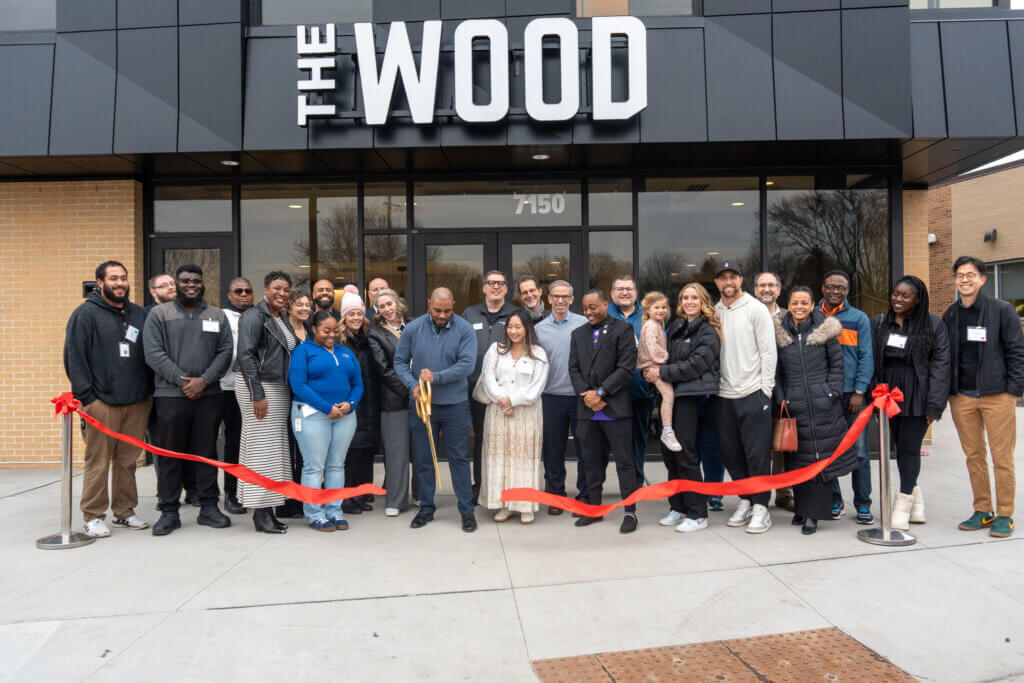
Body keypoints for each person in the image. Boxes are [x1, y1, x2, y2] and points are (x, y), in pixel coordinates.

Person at [64, 260, 153, 537]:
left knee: (128, 461)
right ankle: (93, 515)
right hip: (100, 402)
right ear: (100, 283)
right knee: (98, 462)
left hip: (136, 401)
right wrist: (88, 398)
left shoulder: (138, 314)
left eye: (123, 278)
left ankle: (125, 512)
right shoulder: (85, 315)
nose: (120, 283)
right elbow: (74, 358)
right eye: (113, 278)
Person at [143, 264, 234, 536]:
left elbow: (226, 350)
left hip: (209, 395)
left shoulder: (216, 315)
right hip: (171, 396)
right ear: (177, 284)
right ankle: (169, 510)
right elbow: (153, 353)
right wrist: (183, 381)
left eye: (196, 280)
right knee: (170, 453)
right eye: (185, 281)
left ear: (202, 283)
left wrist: (204, 380)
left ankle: (208, 507)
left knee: (206, 453)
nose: (191, 285)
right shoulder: (160, 314)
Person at [944, 256, 1024, 538]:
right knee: (974, 456)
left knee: (1002, 457)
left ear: (982, 279)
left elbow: (1017, 351)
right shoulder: (951, 315)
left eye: (970, 275)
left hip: (997, 394)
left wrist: (1013, 391)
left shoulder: (1002, 311)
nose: (964, 280)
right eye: (960, 276)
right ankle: (983, 510)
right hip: (962, 397)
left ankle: (1005, 514)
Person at [773, 287, 858, 535]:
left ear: (812, 305)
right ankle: (801, 508)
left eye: (804, 303)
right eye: (795, 302)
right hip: (794, 407)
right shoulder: (779, 334)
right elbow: (776, 373)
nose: (799, 307)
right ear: (788, 304)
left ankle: (814, 514)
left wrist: (832, 392)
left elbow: (837, 364)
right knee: (799, 461)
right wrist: (781, 399)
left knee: (820, 460)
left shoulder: (826, 330)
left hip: (823, 406)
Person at [870, 276, 950, 531]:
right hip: (887, 394)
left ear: (917, 299)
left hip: (917, 394)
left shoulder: (933, 325)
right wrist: (873, 394)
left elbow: (941, 366)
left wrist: (934, 406)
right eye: (895, 294)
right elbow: (871, 360)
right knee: (898, 448)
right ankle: (917, 504)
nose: (898, 299)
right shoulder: (880, 323)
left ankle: (903, 505)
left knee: (909, 449)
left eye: (905, 296)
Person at [395, 287, 478, 531]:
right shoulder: (413, 328)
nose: (442, 315)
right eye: (437, 310)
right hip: (422, 405)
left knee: (459, 458)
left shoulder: (464, 329)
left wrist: (436, 377)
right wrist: (413, 385)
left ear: (454, 304)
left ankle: (466, 510)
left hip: (455, 406)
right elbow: (399, 361)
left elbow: (467, 365)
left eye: (448, 310)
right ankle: (426, 508)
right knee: (423, 458)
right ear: (429, 303)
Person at [645, 283, 721, 533]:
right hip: (670, 395)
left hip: (690, 396)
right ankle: (677, 506)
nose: (689, 301)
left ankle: (698, 513)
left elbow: (695, 365)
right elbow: (664, 354)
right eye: (685, 297)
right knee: (670, 454)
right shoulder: (676, 327)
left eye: (694, 298)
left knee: (686, 453)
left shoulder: (708, 332)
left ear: (703, 302)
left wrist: (661, 372)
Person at [712, 262, 777, 534]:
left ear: (740, 279)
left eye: (732, 277)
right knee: (731, 454)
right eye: (722, 278)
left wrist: (766, 390)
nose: (728, 282)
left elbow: (768, 352)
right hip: (722, 395)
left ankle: (761, 506)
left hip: (753, 393)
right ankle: (746, 499)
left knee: (757, 455)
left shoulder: (756, 309)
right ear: (717, 282)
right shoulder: (714, 311)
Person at [569, 289, 640, 533]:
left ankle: (630, 512)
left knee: (625, 463)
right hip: (587, 411)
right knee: (590, 462)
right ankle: (594, 508)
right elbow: (574, 369)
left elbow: (626, 368)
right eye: (585, 308)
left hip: (615, 409)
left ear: (605, 304)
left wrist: (601, 393)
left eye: (593, 307)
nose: (588, 312)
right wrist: (588, 397)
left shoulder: (623, 329)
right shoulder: (577, 334)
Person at [236, 271, 298, 534]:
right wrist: (257, 394)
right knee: (261, 451)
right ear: (266, 289)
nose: (282, 294)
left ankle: (269, 508)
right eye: (277, 288)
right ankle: (261, 514)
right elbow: (246, 356)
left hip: (277, 388)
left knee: (273, 451)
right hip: (260, 388)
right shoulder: (254, 316)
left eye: (286, 290)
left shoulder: (280, 317)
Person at [289, 312, 362, 532]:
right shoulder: (303, 351)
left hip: (345, 415)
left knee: (337, 465)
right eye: (326, 330)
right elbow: (299, 385)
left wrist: (350, 404)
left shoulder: (346, 353)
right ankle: (315, 514)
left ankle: (334, 510)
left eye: (335, 330)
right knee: (314, 467)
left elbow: (358, 384)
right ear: (314, 329)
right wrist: (327, 408)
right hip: (312, 415)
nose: (332, 335)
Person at [480, 310, 550, 523]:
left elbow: (536, 386)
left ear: (527, 328)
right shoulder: (496, 349)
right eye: (510, 327)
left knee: (523, 458)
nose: (513, 331)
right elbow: (487, 377)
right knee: (500, 458)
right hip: (498, 413)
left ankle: (525, 505)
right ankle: (504, 504)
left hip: (526, 413)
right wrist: (502, 400)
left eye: (518, 327)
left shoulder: (538, 353)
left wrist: (512, 400)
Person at [819, 270, 875, 524]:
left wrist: (860, 391)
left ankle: (863, 503)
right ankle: (834, 501)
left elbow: (866, 357)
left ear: (847, 291)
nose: (835, 291)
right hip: (825, 396)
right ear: (823, 288)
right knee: (828, 451)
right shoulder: (814, 316)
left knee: (860, 452)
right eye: (831, 287)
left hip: (852, 396)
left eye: (841, 287)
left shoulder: (859, 318)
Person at [463, 270, 519, 502]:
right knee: (481, 441)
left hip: (506, 392)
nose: (496, 287)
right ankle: (480, 485)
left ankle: (506, 488)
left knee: (506, 441)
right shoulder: (469, 313)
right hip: (475, 390)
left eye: (500, 283)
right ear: (484, 288)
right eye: (491, 283)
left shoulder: (516, 313)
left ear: (506, 289)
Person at [535, 280, 589, 513]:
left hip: (580, 397)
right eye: (556, 296)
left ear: (572, 299)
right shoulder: (539, 329)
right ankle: (556, 496)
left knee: (585, 448)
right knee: (553, 450)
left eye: (565, 297)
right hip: (551, 397)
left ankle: (585, 494)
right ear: (548, 298)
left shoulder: (584, 324)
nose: (560, 301)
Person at [369, 288, 413, 517]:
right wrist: (411, 388)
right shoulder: (376, 334)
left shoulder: (414, 326)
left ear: (398, 303)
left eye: (389, 304)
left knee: (421, 452)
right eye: (381, 306)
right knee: (396, 454)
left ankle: (422, 497)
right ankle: (395, 501)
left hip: (421, 399)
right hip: (394, 401)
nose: (387, 309)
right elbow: (384, 370)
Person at [607, 274, 654, 486]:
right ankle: (598, 486)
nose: (624, 292)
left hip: (640, 390)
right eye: (620, 289)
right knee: (611, 440)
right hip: (610, 392)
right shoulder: (603, 314)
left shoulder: (649, 316)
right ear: (612, 294)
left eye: (628, 289)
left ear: (636, 294)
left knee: (638, 439)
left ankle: (634, 482)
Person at [338, 293, 381, 515]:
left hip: (370, 400)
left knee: (366, 451)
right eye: (351, 314)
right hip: (351, 402)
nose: (355, 317)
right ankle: (346, 497)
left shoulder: (367, 337)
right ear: (344, 317)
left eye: (358, 313)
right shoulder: (339, 340)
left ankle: (360, 494)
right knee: (351, 453)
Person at [754, 271, 792, 512]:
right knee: (757, 446)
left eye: (771, 285)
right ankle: (757, 496)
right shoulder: (747, 313)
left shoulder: (791, 316)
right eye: (761, 285)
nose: (766, 289)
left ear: (779, 290)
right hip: (753, 387)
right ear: (755, 289)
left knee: (781, 445)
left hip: (784, 388)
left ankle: (783, 493)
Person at [220, 276, 254, 515]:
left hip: (252, 390)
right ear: (229, 295)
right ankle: (230, 494)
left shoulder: (257, 317)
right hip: (223, 389)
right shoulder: (220, 317)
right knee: (230, 444)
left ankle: (248, 491)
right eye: (238, 291)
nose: (243, 295)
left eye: (248, 291)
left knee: (247, 444)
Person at [637, 291, 682, 452]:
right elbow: (654, 350)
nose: (661, 310)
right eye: (656, 307)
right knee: (668, 395)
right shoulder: (650, 326)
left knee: (667, 395)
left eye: (663, 307)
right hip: (653, 365)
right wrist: (669, 358)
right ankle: (667, 431)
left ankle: (668, 428)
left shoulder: (658, 324)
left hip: (656, 365)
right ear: (647, 310)